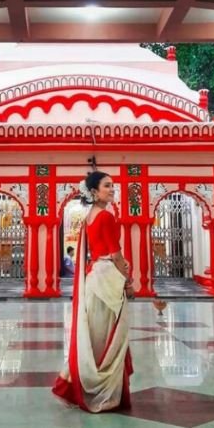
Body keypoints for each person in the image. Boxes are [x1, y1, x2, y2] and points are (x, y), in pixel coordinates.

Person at [52, 171, 134, 413]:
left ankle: (81, 382)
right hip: (108, 278)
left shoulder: (89, 217)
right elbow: (116, 253)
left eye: (113, 185)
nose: (112, 189)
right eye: (107, 186)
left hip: (95, 277)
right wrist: (128, 281)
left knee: (95, 336)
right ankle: (102, 391)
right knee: (108, 338)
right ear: (94, 192)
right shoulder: (106, 217)